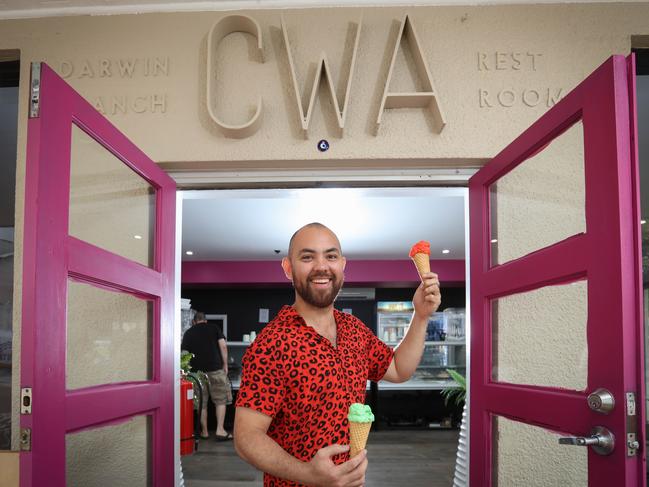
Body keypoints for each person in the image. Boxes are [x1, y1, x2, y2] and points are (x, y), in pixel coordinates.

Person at [234, 222, 441, 487]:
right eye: (307, 257)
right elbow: (246, 437)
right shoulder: (271, 344)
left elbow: (400, 369)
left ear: (342, 265)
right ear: (288, 268)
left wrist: (421, 316)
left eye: (330, 256)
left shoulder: (354, 330)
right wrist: (308, 473)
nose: (321, 266)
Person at [181, 311, 233, 441]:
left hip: (196, 373)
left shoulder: (188, 332)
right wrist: (225, 364)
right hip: (215, 369)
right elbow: (223, 346)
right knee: (220, 400)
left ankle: (204, 432)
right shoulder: (214, 328)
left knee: (201, 403)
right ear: (205, 320)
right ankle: (220, 430)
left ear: (194, 321)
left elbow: (184, 353)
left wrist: (185, 371)